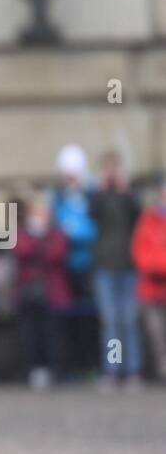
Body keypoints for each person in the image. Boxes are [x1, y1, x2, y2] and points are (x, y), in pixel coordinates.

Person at [89, 151, 143, 391]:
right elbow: (90, 214)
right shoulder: (97, 198)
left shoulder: (129, 197)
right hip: (105, 266)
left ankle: (132, 371)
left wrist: (125, 189)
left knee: (129, 321)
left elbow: (139, 214)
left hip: (128, 266)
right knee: (111, 321)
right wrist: (99, 188)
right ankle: (113, 369)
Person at [51, 144, 98, 380]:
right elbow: (57, 226)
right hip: (65, 267)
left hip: (89, 265)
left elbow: (91, 229)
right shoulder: (57, 197)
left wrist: (76, 231)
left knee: (91, 319)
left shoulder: (92, 194)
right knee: (68, 321)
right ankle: (72, 367)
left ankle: (93, 366)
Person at [13, 194, 69, 390]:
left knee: (52, 335)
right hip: (27, 292)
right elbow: (20, 249)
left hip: (51, 291)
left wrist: (38, 245)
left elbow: (56, 253)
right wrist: (38, 245)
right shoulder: (22, 232)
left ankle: (54, 370)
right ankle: (31, 370)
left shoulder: (56, 233)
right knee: (29, 335)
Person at [130, 175, 166, 381]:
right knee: (155, 333)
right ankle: (161, 370)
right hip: (150, 288)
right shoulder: (148, 218)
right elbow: (140, 250)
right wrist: (157, 267)